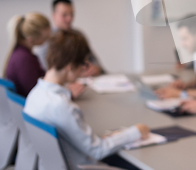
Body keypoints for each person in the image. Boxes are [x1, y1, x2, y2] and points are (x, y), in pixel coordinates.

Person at [24, 29, 149, 170]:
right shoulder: (62, 106)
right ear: (70, 67)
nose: (83, 70)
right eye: (83, 65)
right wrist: (136, 131)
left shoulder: (34, 95)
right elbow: (97, 151)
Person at [34, 0, 103, 76]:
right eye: (64, 15)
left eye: (72, 14)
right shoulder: (46, 38)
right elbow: (44, 69)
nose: (69, 19)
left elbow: (92, 59)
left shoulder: (78, 35)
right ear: (54, 15)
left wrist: (96, 68)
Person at [3, 13, 51, 97]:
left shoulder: (21, 54)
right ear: (31, 40)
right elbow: (35, 93)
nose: (48, 39)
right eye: (46, 37)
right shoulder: (23, 59)